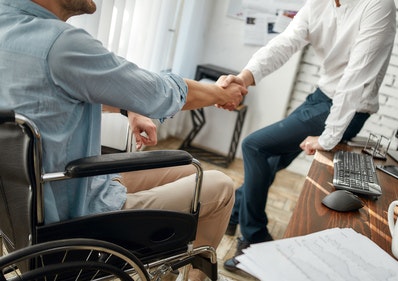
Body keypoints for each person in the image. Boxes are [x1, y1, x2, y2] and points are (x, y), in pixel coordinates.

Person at [0, 0, 247, 280]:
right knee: (220, 186)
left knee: (189, 171)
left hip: (23, 213)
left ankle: (165, 268)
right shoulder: (60, 43)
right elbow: (158, 94)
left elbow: (48, 96)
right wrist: (220, 93)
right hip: (74, 226)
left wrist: (127, 107)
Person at [219, 0, 397, 272]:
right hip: (320, 98)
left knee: (254, 146)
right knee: (268, 162)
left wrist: (327, 138)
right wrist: (244, 78)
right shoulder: (319, 3)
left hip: (345, 108)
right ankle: (234, 213)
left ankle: (255, 241)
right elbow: (286, 42)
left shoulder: (377, 5)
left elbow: (355, 79)